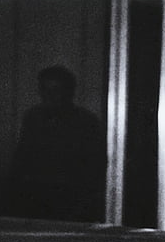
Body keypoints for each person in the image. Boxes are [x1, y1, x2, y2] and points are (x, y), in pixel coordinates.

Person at [7, 65, 105, 222]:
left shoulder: (86, 122)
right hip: (34, 199)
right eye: (44, 90)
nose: (49, 96)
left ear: (68, 92)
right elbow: (22, 157)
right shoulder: (33, 118)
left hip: (71, 201)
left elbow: (94, 167)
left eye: (56, 90)